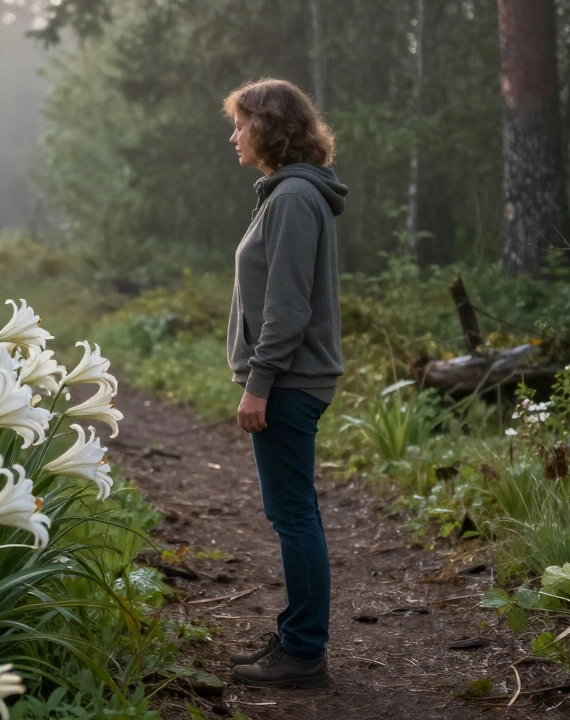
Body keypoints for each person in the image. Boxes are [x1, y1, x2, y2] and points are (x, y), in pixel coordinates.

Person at [222, 78, 347, 689]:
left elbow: (288, 308)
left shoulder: (294, 197)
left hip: (291, 382)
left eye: (242, 124)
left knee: (294, 516)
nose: (234, 136)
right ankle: (299, 637)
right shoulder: (287, 195)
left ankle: (303, 654)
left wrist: (259, 383)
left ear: (269, 128)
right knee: (292, 513)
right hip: (290, 380)